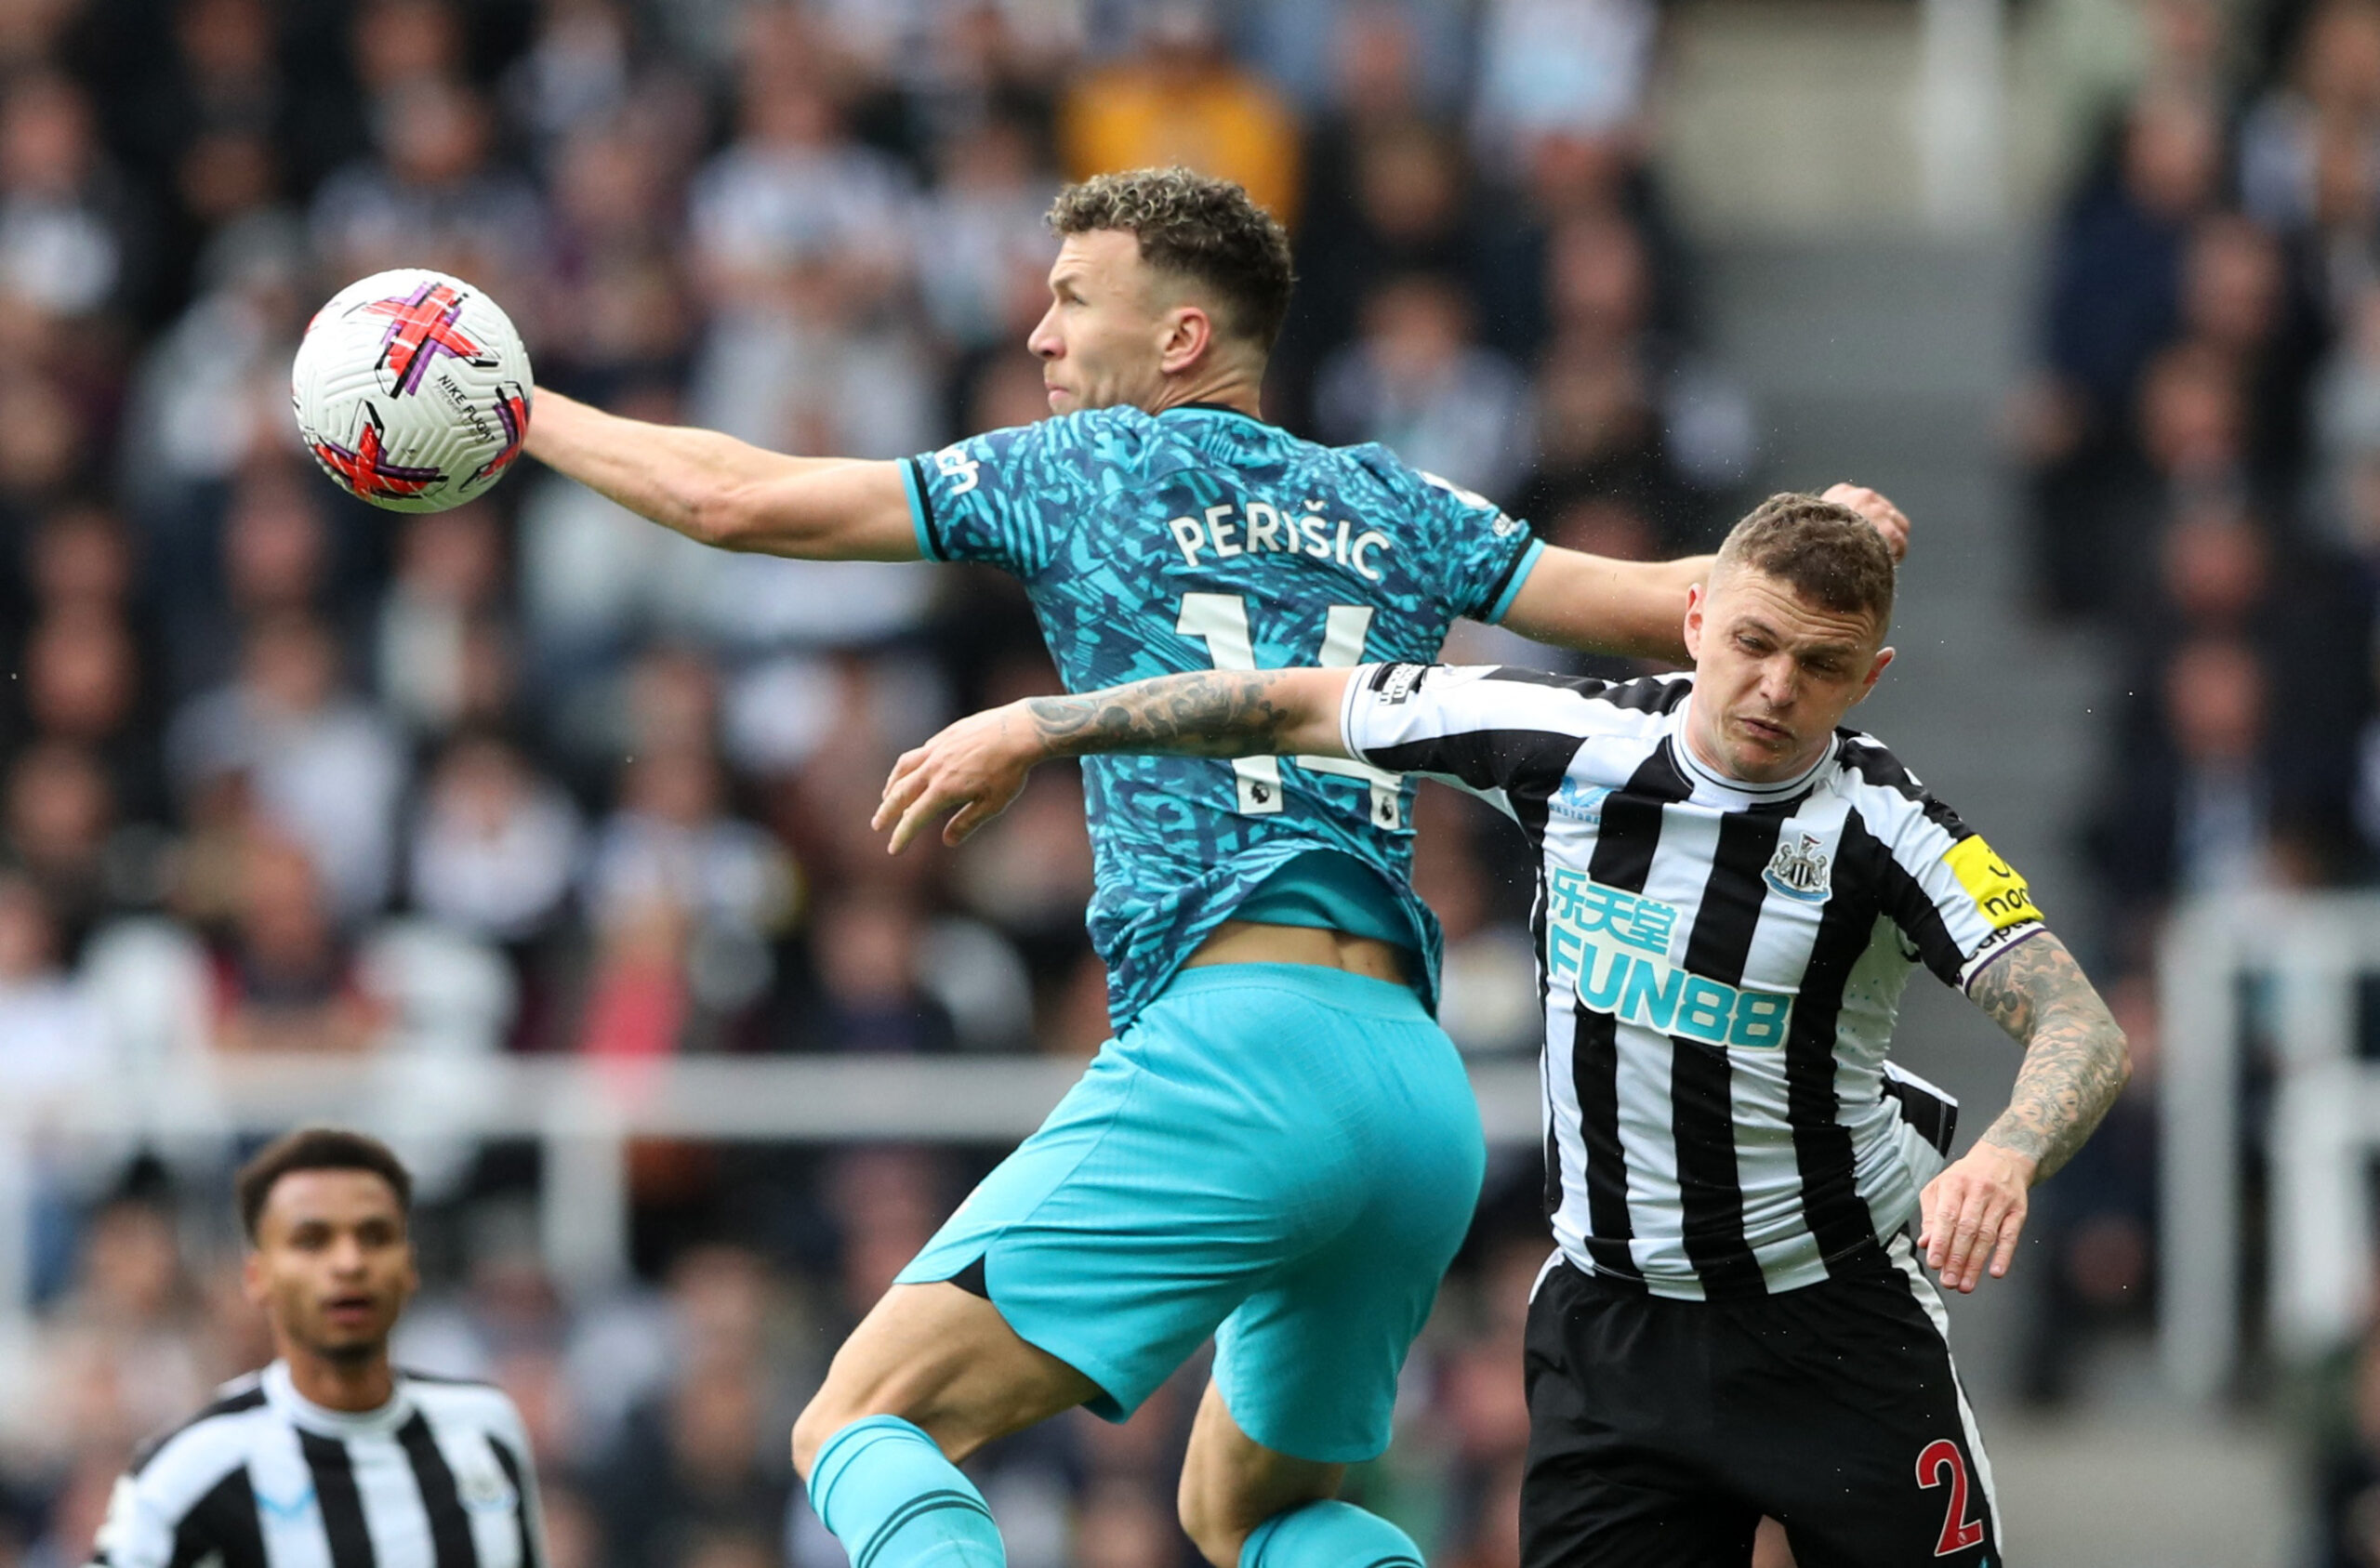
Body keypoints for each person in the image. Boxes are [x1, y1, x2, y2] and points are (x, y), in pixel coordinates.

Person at [522, 165, 1910, 1568]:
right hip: (1416, 1098)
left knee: (859, 1421)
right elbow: (1673, 610)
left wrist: (521, 406)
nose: (1040, 339)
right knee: (1254, 1509)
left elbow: (731, 499)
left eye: (1072, 302)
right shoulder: (1390, 498)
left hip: (1236, 1054)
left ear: (1180, 338)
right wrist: (1820, 541)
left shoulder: (1079, 469)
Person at [879, 492, 2129, 1565]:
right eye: (1752, 641)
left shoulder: (1892, 827)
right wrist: (1039, 723)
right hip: (1615, 1329)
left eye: (1821, 664)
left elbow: (2079, 1021)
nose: (1775, 685)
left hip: (1834, 1323)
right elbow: (1283, 703)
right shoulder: (1570, 739)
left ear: (1871, 678)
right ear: (1697, 618)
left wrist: (2011, 1149)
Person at [86, 1128, 548, 1568]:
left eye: (374, 1236)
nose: (349, 1263)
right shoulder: (191, 1467)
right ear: (257, 1276)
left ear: (409, 1267)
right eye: (312, 1240)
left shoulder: (485, 1427)